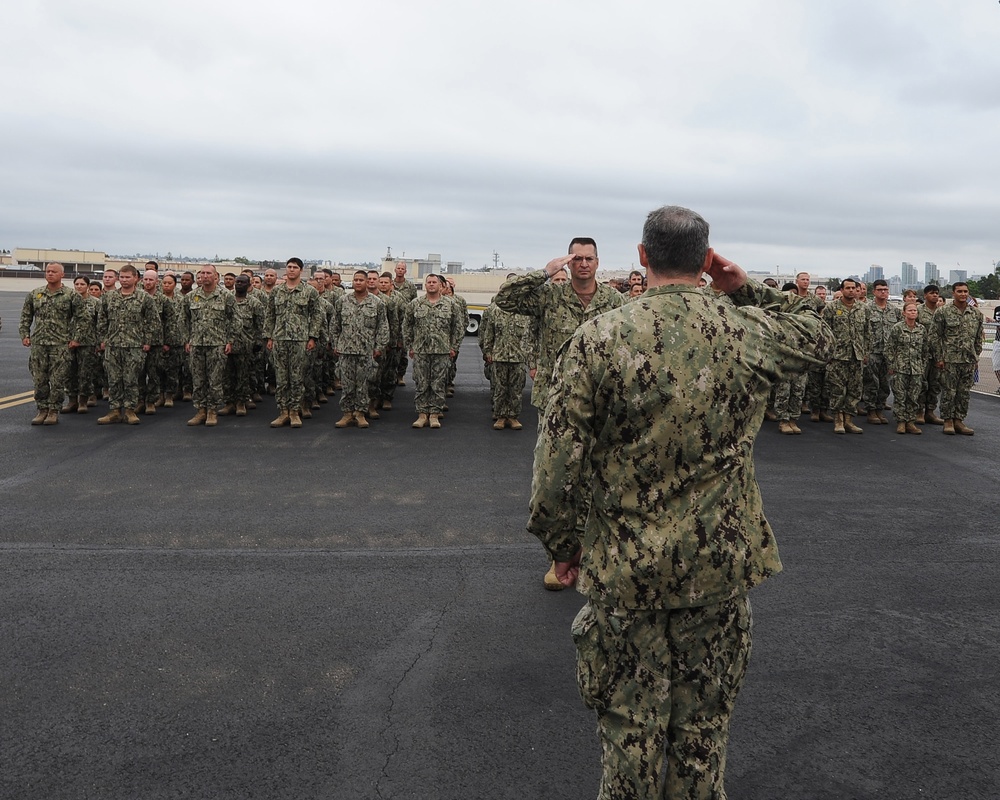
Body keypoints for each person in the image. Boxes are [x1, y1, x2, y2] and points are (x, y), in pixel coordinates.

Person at [529, 205, 831, 799]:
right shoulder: (743, 332)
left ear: (642, 256)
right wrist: (746, 290)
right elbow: (819, 335)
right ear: (706, 261)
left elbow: (556, 470)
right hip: (716, 570)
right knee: (702, 731)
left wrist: (564, 549)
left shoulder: (599, 337)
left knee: (628, 731)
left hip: (623, 570)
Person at [494, 236, 624, 590]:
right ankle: (561, 554)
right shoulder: (549, 295)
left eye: (589, 258)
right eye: (576, 258)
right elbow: (505, 301)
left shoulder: (615, 301)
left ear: (598, 262)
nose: (583, 264)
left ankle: (595, 553)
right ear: (569, 262)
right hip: (558, 400)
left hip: (602, 402)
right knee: (557, 480)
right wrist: (544, 271)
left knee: (599, 478)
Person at [19, 262, 84, 425]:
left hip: (61, 344)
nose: (50, 274)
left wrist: (76, 338)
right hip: (39, 343)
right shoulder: (35, 294)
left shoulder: (70, 295)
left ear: (62, 274)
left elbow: (82, 318)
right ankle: (42, 409)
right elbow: (26, 316)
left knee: (57, 380)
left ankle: (54, 410)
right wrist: (25, 335)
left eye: (54, 271)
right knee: (39, 379)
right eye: (47, 271)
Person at [265, 258, 323, 428]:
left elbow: (317, 315)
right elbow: (270, 315)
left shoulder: (309, 291)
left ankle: (295, 412)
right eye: (289, 267)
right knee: (282, 378)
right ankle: (283, 411)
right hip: (280, 339)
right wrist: (269, 337)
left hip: (300, 340)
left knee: (297, 378)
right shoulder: (277, 292)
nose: (291, 270)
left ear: (301, 270)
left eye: (295, 267)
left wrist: (312, 337)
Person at [97, 264, 156, 425]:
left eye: (127, 277)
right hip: (113, 345)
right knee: (114, 379)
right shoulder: (109, 297)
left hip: (134, 345)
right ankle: (114, 410)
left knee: (131, 380)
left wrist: (147, 341)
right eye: (121, 277)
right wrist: (103, 339)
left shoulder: (144, 298)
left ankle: (130, 410)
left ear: (136, 278)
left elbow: (152, 322)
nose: (124, 280)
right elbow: (102, 319)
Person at [403, 274, 463, 429]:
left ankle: (435, 414)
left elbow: (458, 328)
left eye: (434, 282)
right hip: (421, 350)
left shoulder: (450, 305)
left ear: (440, 286)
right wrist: (410, 346)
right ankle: (422, 414)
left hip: (441, 350)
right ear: (425, 285)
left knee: (438, 383)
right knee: (421, 383)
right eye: (428, 282)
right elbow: (407, 326)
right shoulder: (415, 304)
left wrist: (453, 347)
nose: (431, 285)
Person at [331, 270, 388, 428]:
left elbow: (383, 327)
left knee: (364, 384)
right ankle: (347, 413)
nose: (358, 282)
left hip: (366, 351)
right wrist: (336, 344)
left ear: (367, 282)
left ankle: (361, 413)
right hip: (346, 351)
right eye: (355, 280)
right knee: (347, 384)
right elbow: (335, 325)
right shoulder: (343, 301)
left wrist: (379, 347)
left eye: (361, 280)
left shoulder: (377, 303)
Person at [181, 265, 235, 427]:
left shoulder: (225, 296)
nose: (205, 276)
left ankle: (212, 411)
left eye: (208, 273)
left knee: (215, 380)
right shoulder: (191, 297)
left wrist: (230, 340)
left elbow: (234, 319)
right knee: (198, 380)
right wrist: (186, 340)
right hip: (197, 344)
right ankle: (200, 410)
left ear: (215, 276)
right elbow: (183, 319)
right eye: (202, 273)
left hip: (217, 344)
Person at [934, 282, 984, 435]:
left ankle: (959, 420)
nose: (963, 294)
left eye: (965, 291)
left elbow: (978, 338)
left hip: (968, 360)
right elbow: (935, 336)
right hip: (949, 359)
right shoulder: (943, 312)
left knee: (964, 392)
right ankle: (948, 420)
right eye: (959, 291)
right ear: (953, 293)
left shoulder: (976, 314)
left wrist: (976, 355)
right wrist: (939, 357)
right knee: (949, 391)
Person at [479, 289, 533, 430]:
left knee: (516, 389)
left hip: (518, 357)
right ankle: (500, 416)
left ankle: (513, 416)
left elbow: (531, 336)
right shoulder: (496, 311)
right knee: (499, 388)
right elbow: (489, 333)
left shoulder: (525, 313)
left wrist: (530, 355)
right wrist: (487, 351)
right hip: (499, 355)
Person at [823, 278, 870, 434]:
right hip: (838, 356)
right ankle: (838, 420)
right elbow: (825, 332)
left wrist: (866, 352)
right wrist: (827, 353)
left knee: (854, 389)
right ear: (842, 290)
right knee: (837, 389)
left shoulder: (863, 309)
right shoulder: (831, 308)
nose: (851, 290)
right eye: (848, 288)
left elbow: (867, 332)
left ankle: (849, 420)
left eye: (853, 288)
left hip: (856, 356)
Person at [886, 302, 929, 434]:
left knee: (913, 396)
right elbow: (889, 348)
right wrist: (891, 365)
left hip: (916, 369)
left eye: (915, 310)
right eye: (909, 310)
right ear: (904, 313)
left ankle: (910, 421)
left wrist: (922, 365)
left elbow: (925, 349)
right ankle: (901, 422)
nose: (912, 312)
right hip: (900, 367)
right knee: (900, 396)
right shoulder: (897, 328)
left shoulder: (921, 329)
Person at [862, 279, 901, 424]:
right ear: (874, 292)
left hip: (888, 353)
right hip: (872, 351)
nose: (883, 292)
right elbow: (862, 331)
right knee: (871, 382)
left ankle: (879, 409)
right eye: (880, 290)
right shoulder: (866, 309)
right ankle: (871, 411)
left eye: (885, 289)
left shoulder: (895, 311)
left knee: (885, 384)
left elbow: (898, 332)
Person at [916, 285, 945, 424]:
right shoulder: (918, 311)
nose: (935, 296)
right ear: (925, 295)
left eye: (937, 293)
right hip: (922, 353)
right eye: (932, 293)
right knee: (921, 383)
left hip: (938, 353)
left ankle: (930, 411)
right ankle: (919, 411)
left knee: (935, 384)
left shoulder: (942, 312)